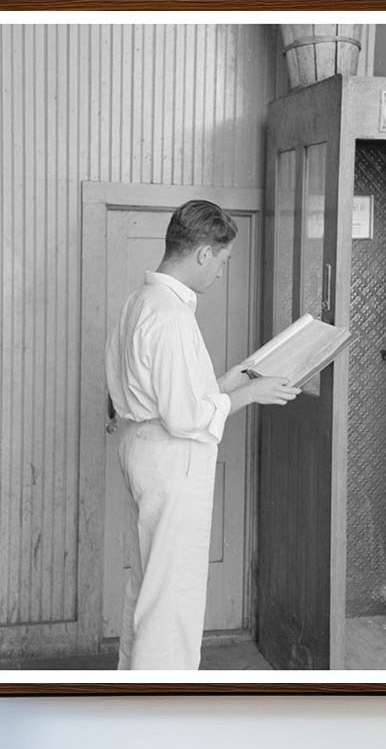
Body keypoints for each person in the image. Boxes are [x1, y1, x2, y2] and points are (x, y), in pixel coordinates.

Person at [105, 199, 300, 670]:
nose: (220, 273)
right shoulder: (170, 314)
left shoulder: (141, 301)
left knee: (149, 582)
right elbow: (185, 417)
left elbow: (166, 394)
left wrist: (233, 379)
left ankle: (135, 686)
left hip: (142, 445)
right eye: (223, 260)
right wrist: (252, 396)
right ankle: (162, 706)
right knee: (172, 595)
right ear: (203, 254)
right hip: (172, 457)